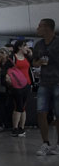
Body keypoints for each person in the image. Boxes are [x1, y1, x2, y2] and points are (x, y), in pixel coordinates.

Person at [33, 19, 59, 156]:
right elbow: (34, 62)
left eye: (40, 26)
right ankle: (45, 143)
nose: (37, 28)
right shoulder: (39, 45)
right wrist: (38, 63)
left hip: (57, 82)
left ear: (47, 28)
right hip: (44, 82)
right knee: (41, 112)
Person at [3, 40, 32, 137]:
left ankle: (21, 128)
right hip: (17, 85)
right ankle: (15, 128)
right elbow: (5, 69)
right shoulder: (13, 58)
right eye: (25, 46)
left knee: (23, 107)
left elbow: (32, 65)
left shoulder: (27, 57)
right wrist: (7, 78)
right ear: (19, 47)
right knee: (18, 106)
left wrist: (30, 53)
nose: (27, 47)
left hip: (27, 84)